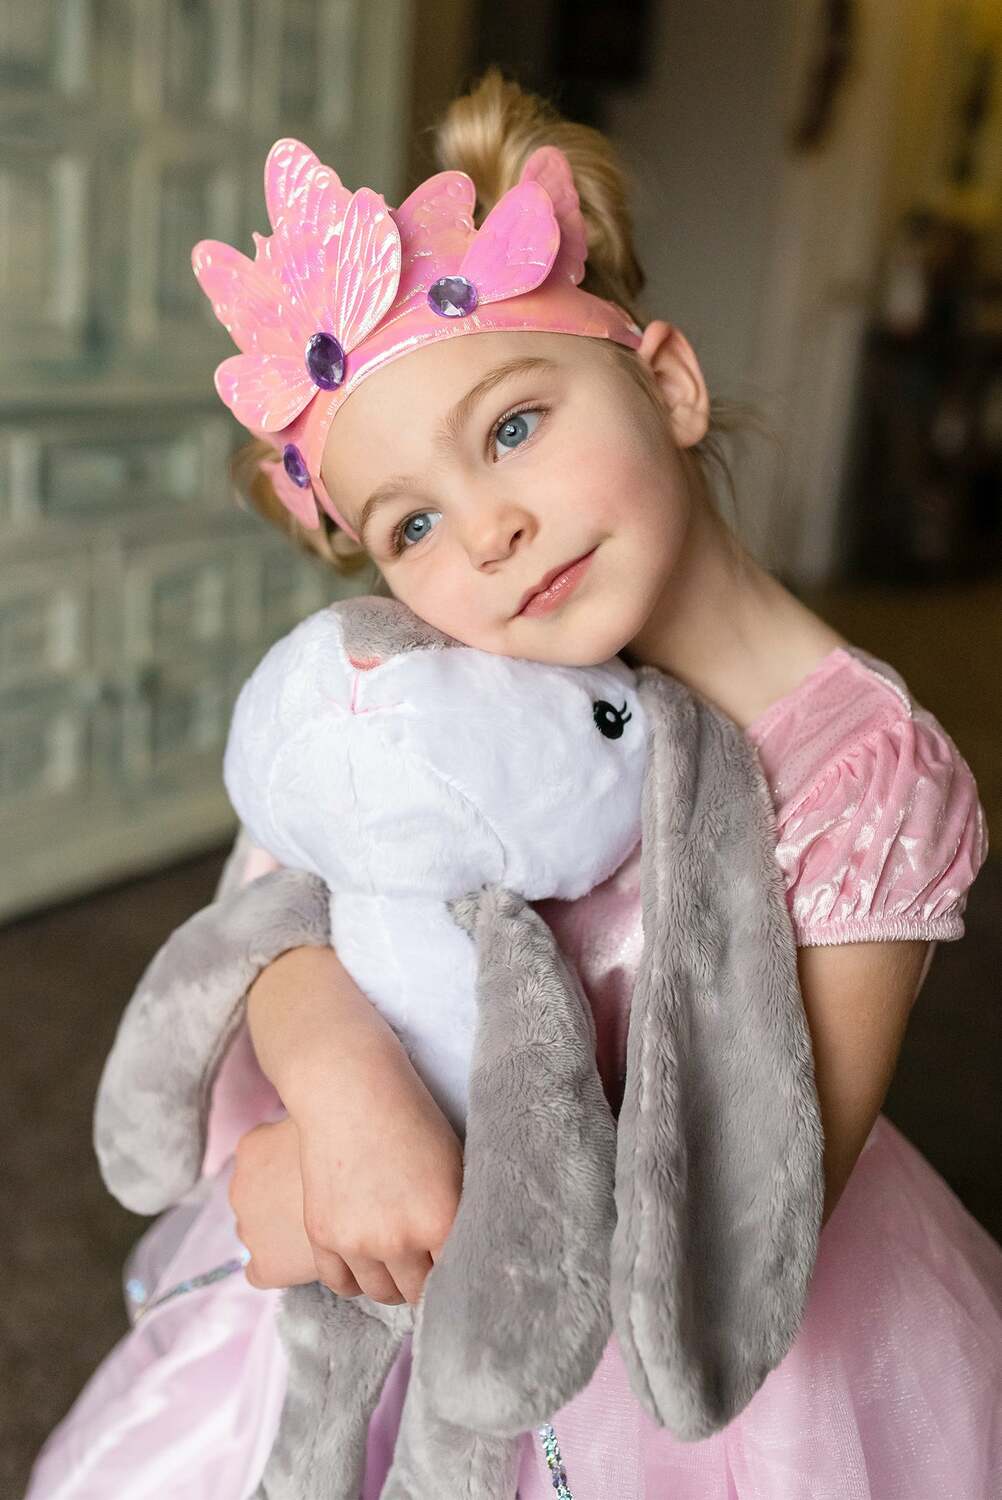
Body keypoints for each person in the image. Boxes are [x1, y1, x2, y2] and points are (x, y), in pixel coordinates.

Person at [28, 67, 1000, 1500]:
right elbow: (279, 918)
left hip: (630, 1340)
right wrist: (341, 1088)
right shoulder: (452, 674)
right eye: (411, 524)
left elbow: (734, 1221)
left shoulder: (867, 779)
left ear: (668, 384)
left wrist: (337, 1195)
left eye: (512, 427)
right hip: (374, 1231)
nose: (486, 533)